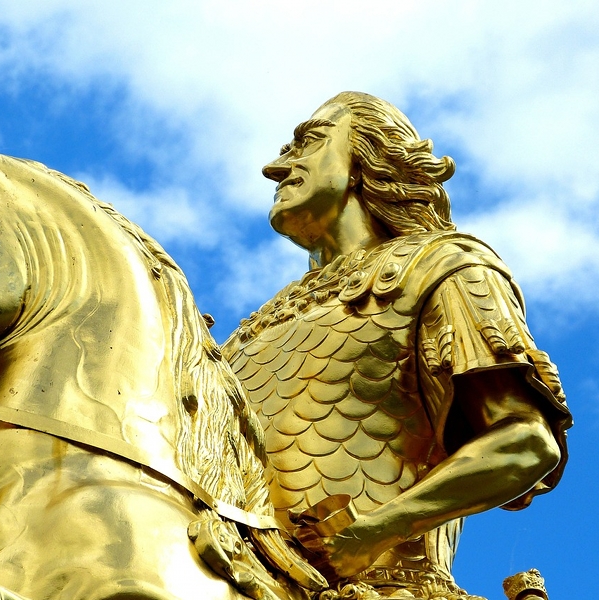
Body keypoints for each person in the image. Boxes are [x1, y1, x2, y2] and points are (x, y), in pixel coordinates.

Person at [221, 92, 572, 599]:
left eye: (308, 142)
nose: (277, 167)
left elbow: (525, 441)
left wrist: (377, 529)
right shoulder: (250, 330)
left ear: (367, 159)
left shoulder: (442, 266)